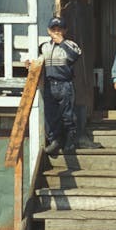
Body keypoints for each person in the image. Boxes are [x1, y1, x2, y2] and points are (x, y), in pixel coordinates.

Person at [35, 16, 82, 156]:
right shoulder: (44, 46)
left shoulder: (70, 44)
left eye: (59, 29)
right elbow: (38, 60)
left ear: (65, 30)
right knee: (50, 114)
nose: (56, 32)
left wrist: (62, 42)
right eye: (53, 29)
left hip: (64, 84)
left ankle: (70, 140)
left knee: (67, 113)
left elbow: (74, 56)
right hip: (49, 85)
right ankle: (54, 141)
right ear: (48, 31)